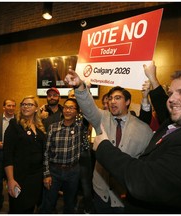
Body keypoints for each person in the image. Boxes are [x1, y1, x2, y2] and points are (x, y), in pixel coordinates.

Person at [92, 62, 181, 213]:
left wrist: (104, 147)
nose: (171, 99)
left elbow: (145, 181)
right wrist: (153, 80)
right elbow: (164, 108)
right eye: (171, 94)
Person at [64, 72, 153, 213]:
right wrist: (80, 86)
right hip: (101, 193)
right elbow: (88, 107)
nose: (112, 101)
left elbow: (146, 166)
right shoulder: (102, 118)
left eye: (118, 98)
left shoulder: (143, 130)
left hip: (126, 196)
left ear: (128, 102)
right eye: (110, 98)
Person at [40, 98, 87, 214]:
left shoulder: (80, 127)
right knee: (48, 203)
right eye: (66, 107)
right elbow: (46, 152)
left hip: (73, 171)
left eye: (71, 108)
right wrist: (46, 174)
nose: (68, 110)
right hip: (54, 171)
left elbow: (89, 112)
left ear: (77, 112)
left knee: (70, 204)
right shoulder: (53, 127)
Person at [3, 95, 46, 213]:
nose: (26, 107)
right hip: (20, 177)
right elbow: (7, 155)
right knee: (18, 209)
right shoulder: (14, 125)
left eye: (30, 104)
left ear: (36, 108)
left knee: (31, 208)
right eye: (23, 104)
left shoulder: (40, 126)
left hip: (36, 177)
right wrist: (10, 179)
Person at [68, 88, 94, 213]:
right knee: (70, 185)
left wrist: (85, 91)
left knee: (85, 185)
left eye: (75, 95)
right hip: (68, 154)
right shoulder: (64, 115)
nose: (74, 97)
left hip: (83, 153)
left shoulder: (84, 113)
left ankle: (88, 209)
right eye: (71, 96)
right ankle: (71, 208)